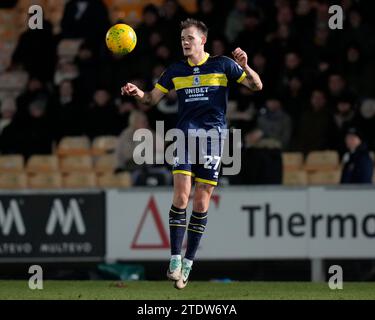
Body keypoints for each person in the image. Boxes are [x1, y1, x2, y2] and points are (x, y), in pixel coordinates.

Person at [121, 18, 262, 289]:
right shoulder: (175, 70)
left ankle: (188, 263)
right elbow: (152, 99)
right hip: (184, 137)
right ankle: (175, 257)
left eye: (190, 38)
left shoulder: (222, 64)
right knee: (181, 195)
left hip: (213, 139)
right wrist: (138, 92)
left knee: (200, 203)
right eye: (182, 38)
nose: (185, 42)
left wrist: (245, 67)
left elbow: (256, 86)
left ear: (202, 41)